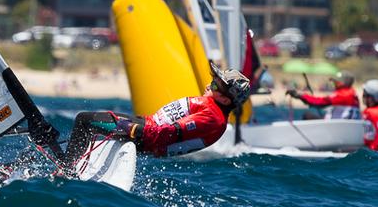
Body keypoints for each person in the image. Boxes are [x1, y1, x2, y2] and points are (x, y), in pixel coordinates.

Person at [63, 62, 250, 164]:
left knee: (83, 120)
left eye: (216, 85)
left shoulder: (212, 116)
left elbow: (171, 133)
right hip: (145, 127)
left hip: (143, 136)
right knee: (92, 121)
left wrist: (133, 129)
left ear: (226, 100)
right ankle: (75, 160)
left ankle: (67, 169)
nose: (210, 85)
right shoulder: (213, 111)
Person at [285, 70, 361, 120]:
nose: (334, 83)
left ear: (345, 83)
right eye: (334, 81)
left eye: (337, 82)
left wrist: (299, 95)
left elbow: (319, 102)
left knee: (307, 115)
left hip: (336, 128)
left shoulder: (344, 95)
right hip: (340, 125)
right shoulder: (352, 93)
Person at [362, 79, 378, 151]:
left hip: (375, 153)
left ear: (372, 97)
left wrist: (372, 151)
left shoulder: (372, 112)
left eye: (365, 95)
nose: (363, 97)